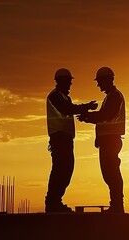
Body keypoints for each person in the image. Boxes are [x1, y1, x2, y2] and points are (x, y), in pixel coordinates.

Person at [45, 68, 98, 213]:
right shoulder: (55, 96)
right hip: (59, 137)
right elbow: (67, 110)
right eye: (68, 81)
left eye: (70, 81)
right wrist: (86, 107)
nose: (70, 84)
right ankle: (52, 202)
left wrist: (84, 110)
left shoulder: (64, 97)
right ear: (60, 81)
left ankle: (56, 201)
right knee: (60, 169)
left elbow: (69, 108)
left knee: (67, 169)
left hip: (66, 137)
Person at [78, 67, 126, 214]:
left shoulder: (115, 96)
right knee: (109, 173)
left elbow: (107, 115)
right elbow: (104, 116)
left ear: (107, 80)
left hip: (111, 140)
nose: (98, 85)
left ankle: (117, 205)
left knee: (111, 173)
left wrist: (88, 117)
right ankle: (116, 204)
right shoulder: (110, 97)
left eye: (99, 81)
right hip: (107, 140)